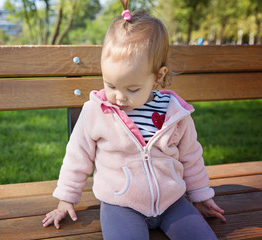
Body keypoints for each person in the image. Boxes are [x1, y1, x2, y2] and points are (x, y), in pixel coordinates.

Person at [42, 0, 226, 239]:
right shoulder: (96, 112)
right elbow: (77, 156)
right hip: (120, 205)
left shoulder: (174, 113)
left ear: (158, 77)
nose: (119, 96)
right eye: (111, 85)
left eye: (132, 88)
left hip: (173, 202)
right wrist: (65, 199)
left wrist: (201, 196)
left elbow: (191, 156)